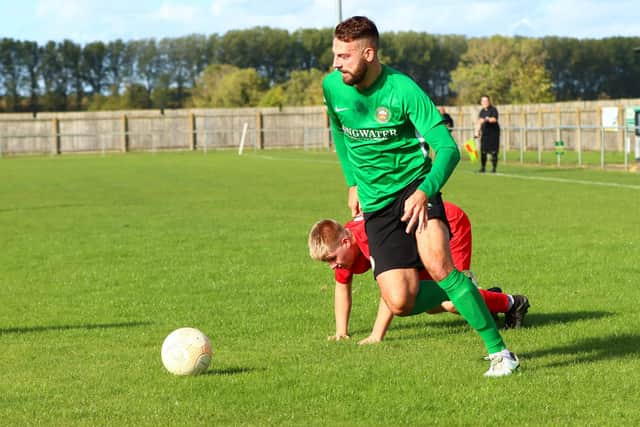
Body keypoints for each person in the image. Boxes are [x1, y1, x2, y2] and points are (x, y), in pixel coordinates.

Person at [322, 16, 519, 376]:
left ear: (369, 53)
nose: (337, 64)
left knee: (440, 266)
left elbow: (448, 149)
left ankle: (501, 354)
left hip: (415, 189)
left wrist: (424, 190)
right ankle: (464, 290)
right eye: (335, 55)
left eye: (345, 56)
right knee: (399, 300)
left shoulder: (403, 90)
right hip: (376, 205)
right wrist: (352, 181)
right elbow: (339, 131)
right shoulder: (332, 87)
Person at [308, 201, 530, 344]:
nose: (332, 265)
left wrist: (377, 336)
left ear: (346, 242)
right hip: (415, 239)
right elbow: (341, 287)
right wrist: (341, 331)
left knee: (453, 298)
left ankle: (513, 303)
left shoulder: (369, 238)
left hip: (444, 225)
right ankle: (486, 299)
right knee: (433, 306)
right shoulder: (345, 254)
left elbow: (390, 293)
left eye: (331, 258)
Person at [475, 95, 500, 173]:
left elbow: (494, 119)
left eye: (486, 101)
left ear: (489, 101)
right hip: (485, 135)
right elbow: (479, 122)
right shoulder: (482, 111)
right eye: (483, 101)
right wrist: (477, 132)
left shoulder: (493, 109)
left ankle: (494, 168)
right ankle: (483, 168)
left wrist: (487, 119)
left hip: (493, 134)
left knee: (494, 152)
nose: (484, 102)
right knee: (483, 151)